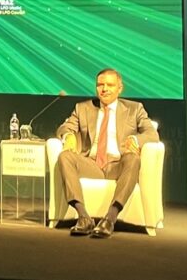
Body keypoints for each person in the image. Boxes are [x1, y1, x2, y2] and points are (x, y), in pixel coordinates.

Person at [55, 68, 159, 238]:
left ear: (120, 88)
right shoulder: (82, 108)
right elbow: (65, 127)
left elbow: (152, 134)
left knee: (133, 159)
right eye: (100, 85)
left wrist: (135, 140)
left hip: (118, 165)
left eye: (110, 85)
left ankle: (110, 218)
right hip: (92, 164)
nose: (104, 89)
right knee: (65, 156)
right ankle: (83, 217)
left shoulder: (134, 109)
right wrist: (68, 136)